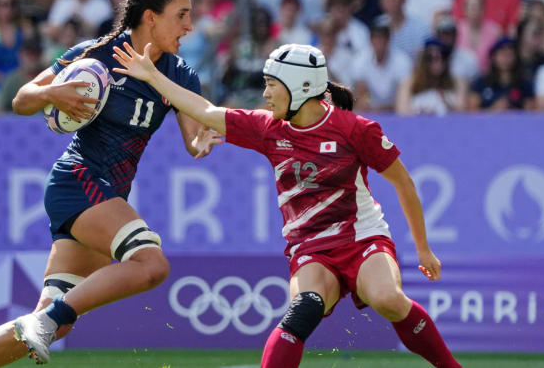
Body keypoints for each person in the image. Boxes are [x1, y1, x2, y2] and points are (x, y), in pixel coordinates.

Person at [112, 42, 462, 368]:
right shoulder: (268, 129)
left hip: (363, 239)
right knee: (304, 308)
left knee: (388, 298)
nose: (264, 94)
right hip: (310, 248)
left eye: (270, 84)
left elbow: (404, 183)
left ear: (301, 87)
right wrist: (153, 77)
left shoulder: (356, 130)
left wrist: (424, 251)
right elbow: (204, 109)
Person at [0, 0, 221, 368]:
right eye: (182, 15)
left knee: (53, 323)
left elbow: (193, 137)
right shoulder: (97, 54)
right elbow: (22, 100)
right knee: (151, 264)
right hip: (79, 181)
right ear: (151, 17)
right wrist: (52, 93)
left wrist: (200, 143)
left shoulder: (180, 73)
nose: (190, 25)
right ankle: (50, 320)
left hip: (106, 196)